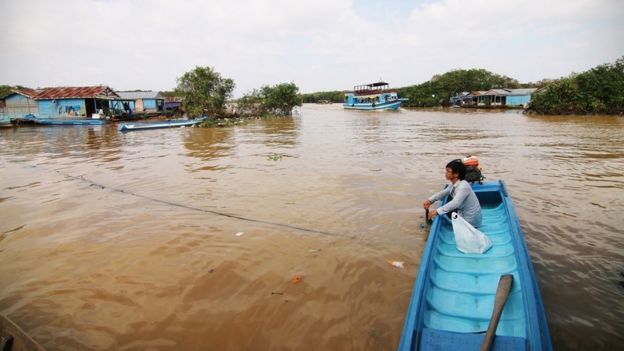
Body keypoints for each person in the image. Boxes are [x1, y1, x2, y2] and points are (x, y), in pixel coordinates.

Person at [423, 159, 482, 227]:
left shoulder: (464, 186)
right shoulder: (454, 184)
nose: (446, 173)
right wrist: (430, 200)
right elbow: (443, 193)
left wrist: (437, 211)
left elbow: (455, 203)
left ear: (456, 174)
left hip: (471, 221)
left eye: (448, 171)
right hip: (463, 215)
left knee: (440, 215)